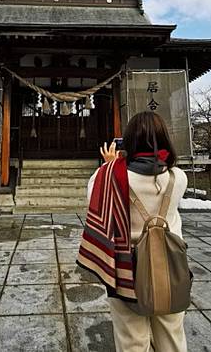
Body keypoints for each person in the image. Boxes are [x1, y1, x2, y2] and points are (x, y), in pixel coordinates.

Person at [86, 111, 189, 352]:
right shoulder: (178, 177)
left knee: (132, 339)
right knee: (172, 336)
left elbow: (93, 200)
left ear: (129, 141)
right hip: (172, 268)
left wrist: (110, 165)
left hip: (126, 269)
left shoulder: (110, 176)